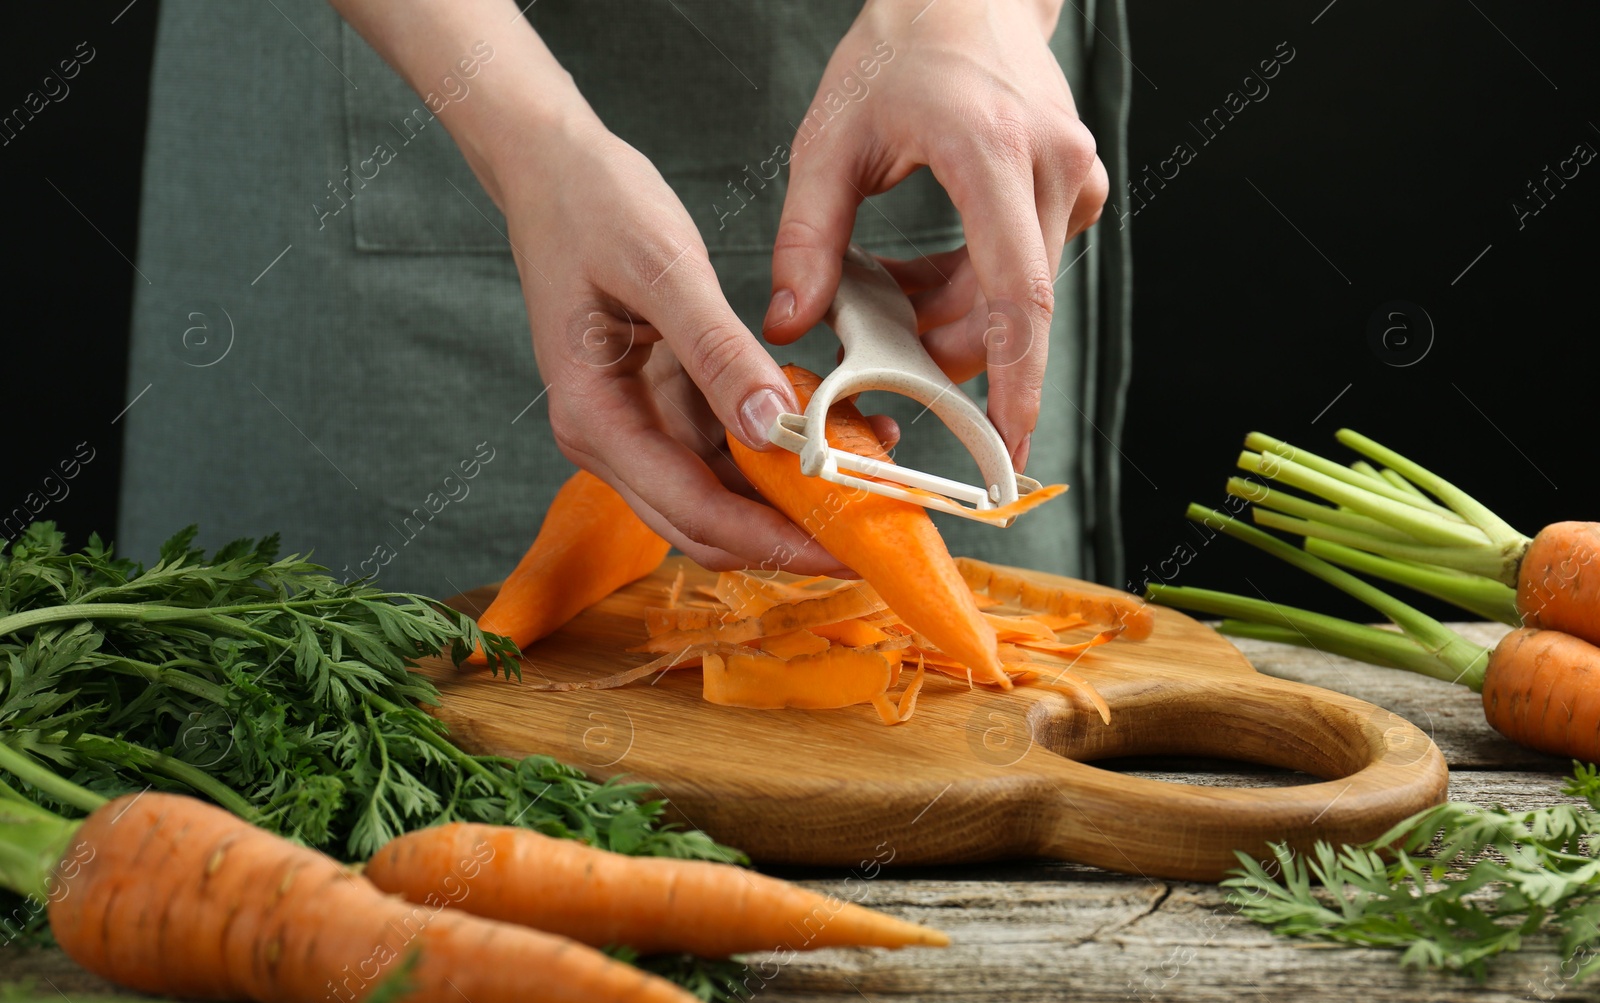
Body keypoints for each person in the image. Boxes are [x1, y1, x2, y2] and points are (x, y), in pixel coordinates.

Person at [118, 0, 1130, 598]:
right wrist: (530, 144)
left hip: (937, 119)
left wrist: (973, 17)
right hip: (386, 103)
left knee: (965, 741)